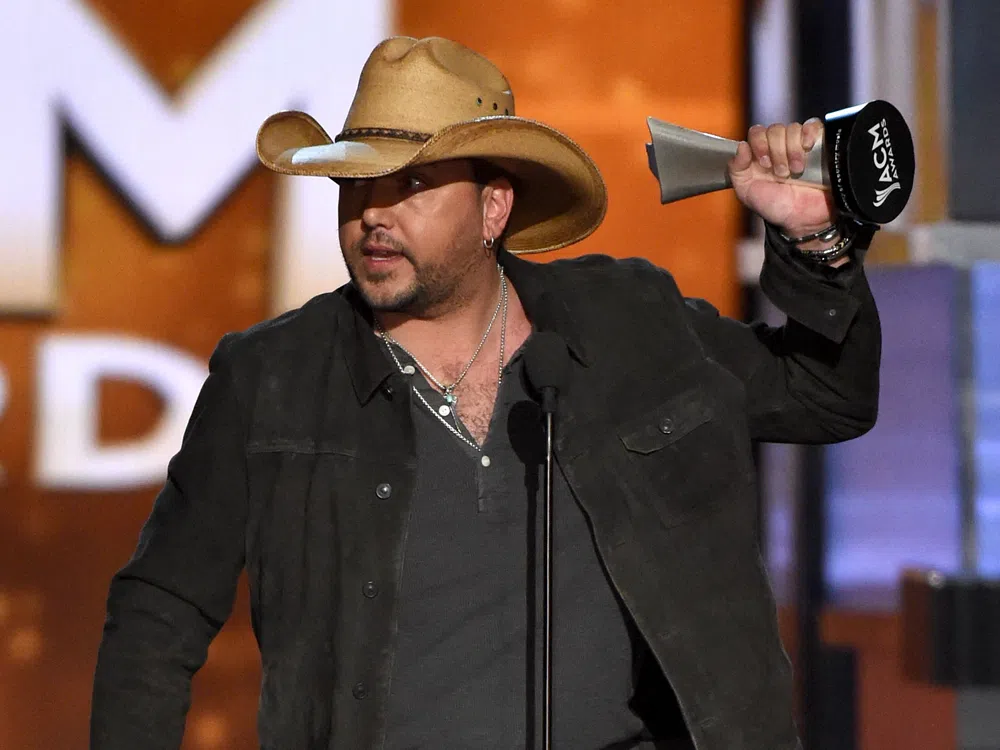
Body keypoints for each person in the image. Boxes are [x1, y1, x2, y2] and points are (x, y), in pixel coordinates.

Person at [91, 36, 880, 750]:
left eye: (412, 184)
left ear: (493, 207)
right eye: (355, 185)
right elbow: (160, 607)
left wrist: (816, 240)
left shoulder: (627, 321)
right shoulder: (272, 376)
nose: (373, 214)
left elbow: (825, 397)